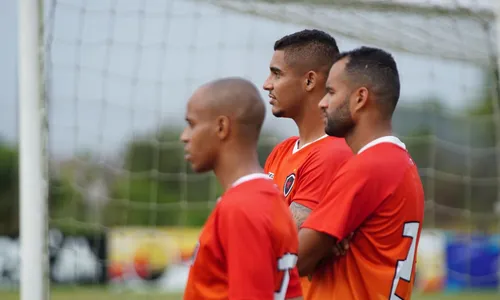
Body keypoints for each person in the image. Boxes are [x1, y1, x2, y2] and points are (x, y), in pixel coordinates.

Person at [297, 46, 425, 300]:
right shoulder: (399, 161)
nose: (322, 103)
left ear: (360, 98)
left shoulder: (368, 166)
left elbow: (293, 262)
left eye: (331, 92)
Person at [181, 77, 303, 300]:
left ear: (221, 127)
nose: (184, 137)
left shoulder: (242, 207)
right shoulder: (266, 197)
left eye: (192, 124)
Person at [262, 29, 353, 296]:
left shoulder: (333, 153)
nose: (267, 84)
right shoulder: (281, 151)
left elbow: (287, 254)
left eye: (276, 73)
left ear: (310, 80)